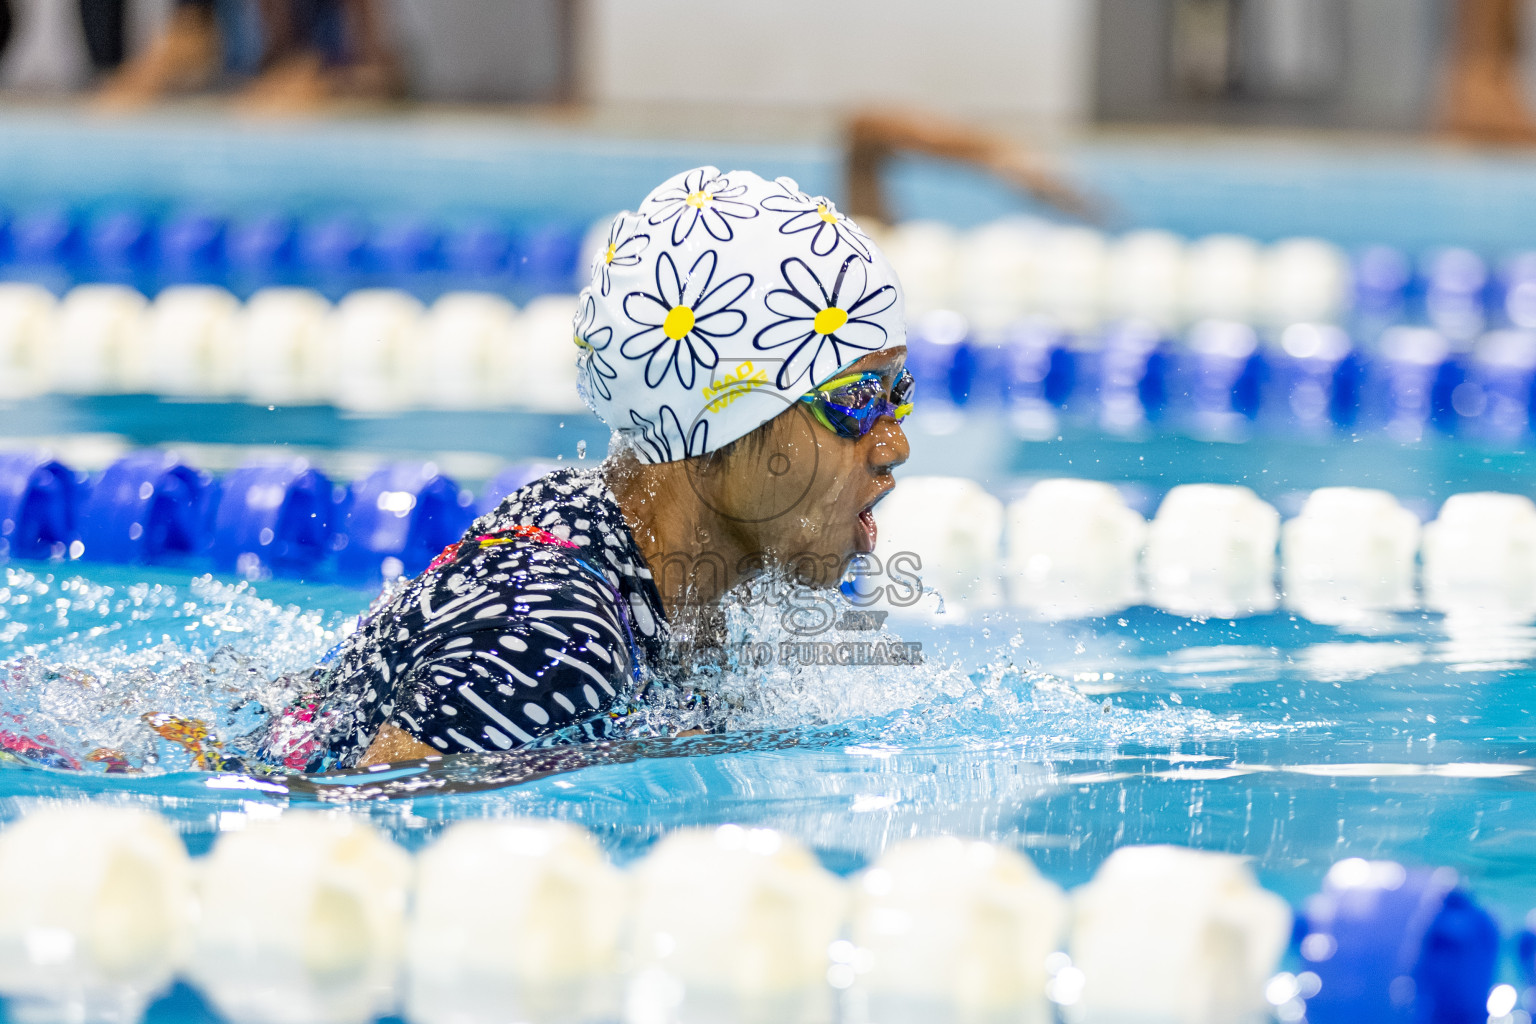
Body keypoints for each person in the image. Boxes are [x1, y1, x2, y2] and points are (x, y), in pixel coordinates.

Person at [261, 166, 913, 770]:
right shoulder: (559, 633)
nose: (894, 445)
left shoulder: (639, 558)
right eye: (854, 399)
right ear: (719, 410)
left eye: (897, 394)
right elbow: (352, 837)